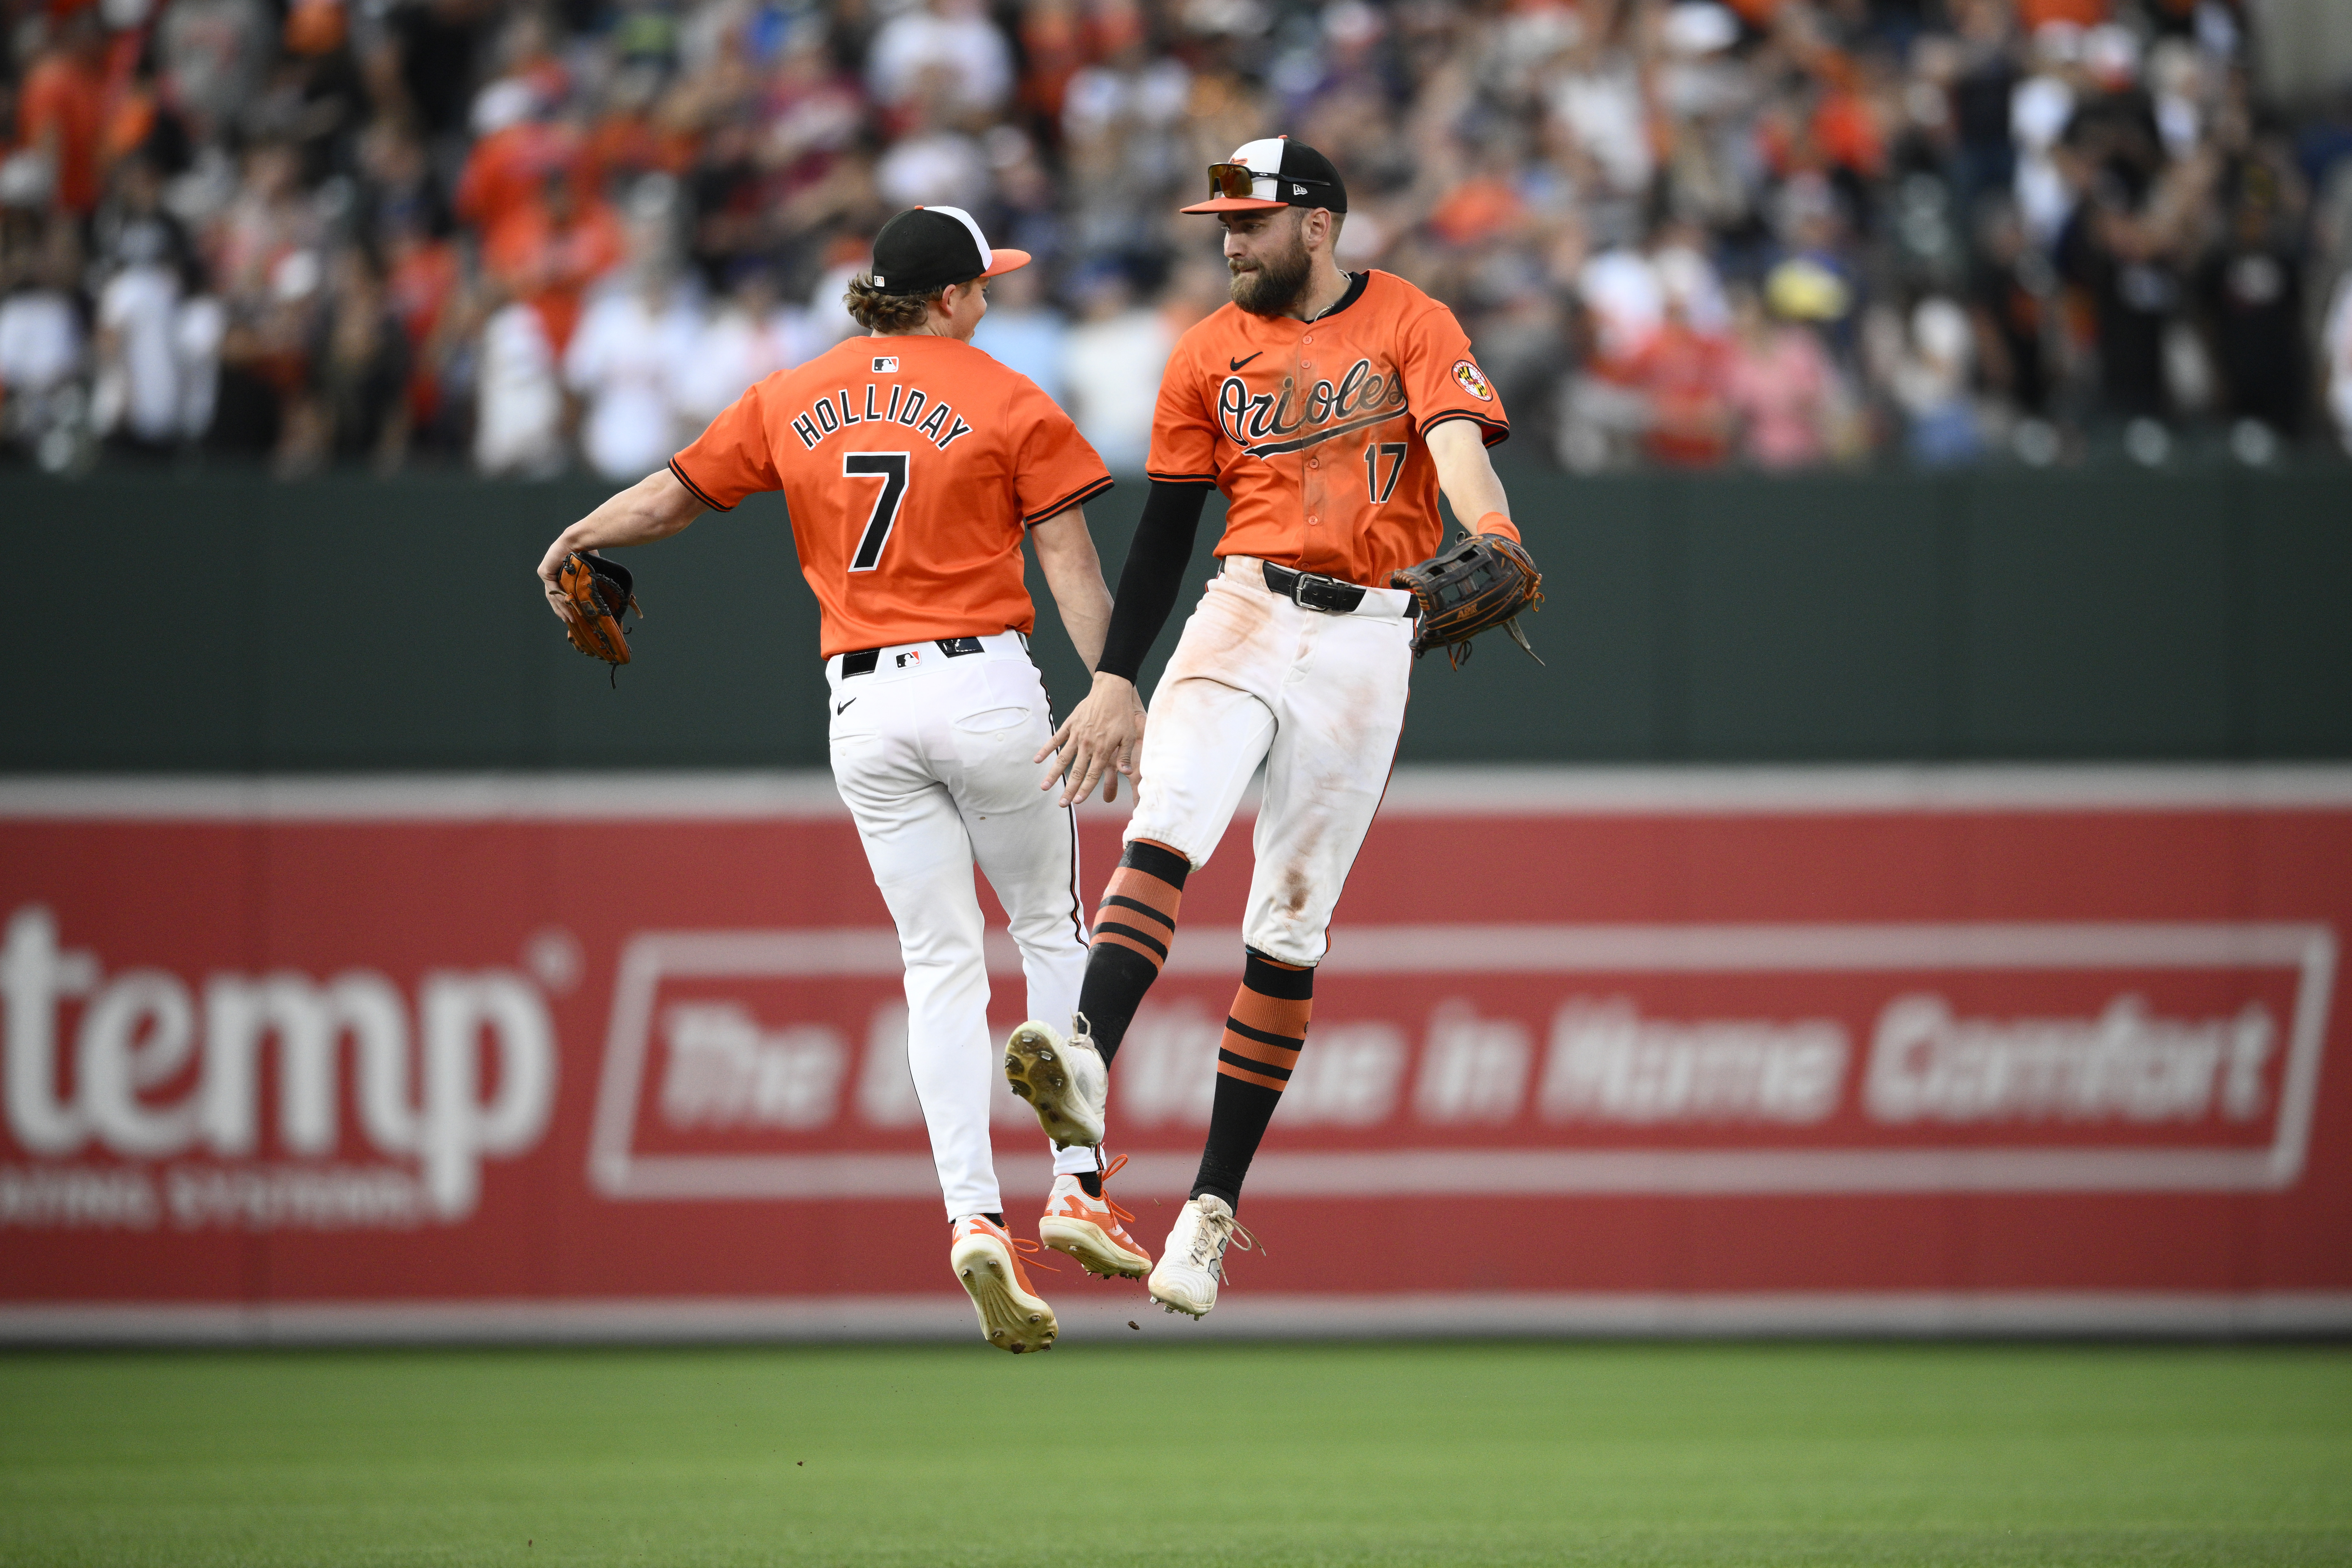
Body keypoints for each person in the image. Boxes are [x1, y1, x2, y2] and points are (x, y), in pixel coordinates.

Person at [535, 207, 1147, 1355]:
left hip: (862, 705)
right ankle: (1077, 1183)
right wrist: (1115, 683)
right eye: (983, 284)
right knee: (1050, 929)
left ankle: (972, 1216)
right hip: (981, 685)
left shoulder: (789, 393)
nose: (991, 299)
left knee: (935, 967)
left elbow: (669, 497)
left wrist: (578, 533)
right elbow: (1069, 560)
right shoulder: (1007, 395)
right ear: (953, 298)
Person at [1006, 139, 1532, 1320]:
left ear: (1319, 225)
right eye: (1222, 223)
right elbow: (1164, 533)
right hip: (1243, 604)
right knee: (1169, 819)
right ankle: (1083, 1054)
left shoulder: (1410, 318)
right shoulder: (1204, 352)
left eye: (1250, 221)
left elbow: (1453, 444)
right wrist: (1114, 675)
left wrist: (1492, 530)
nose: (1230, 240)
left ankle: (1207, 1210)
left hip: (1368, 635)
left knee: (1288, 922)